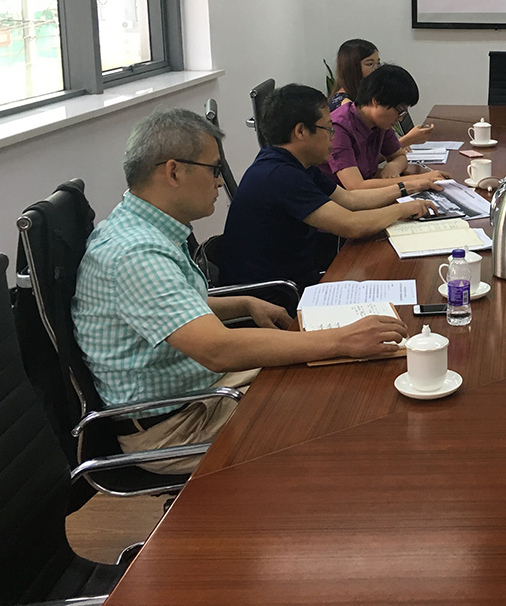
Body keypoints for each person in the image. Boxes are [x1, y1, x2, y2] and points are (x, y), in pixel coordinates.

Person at [72, 108, 409, 473]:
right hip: (176, 428)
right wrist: (342, 339)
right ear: (173, 172)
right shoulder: (136, 253)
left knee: (337, 375)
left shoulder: (143, 226)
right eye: (214, 169)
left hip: (199, 391)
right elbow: (217, 349)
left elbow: (175, 308)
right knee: (337, 410)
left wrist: (244, 303)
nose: (220, 182)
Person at [220, 84, 438, 288]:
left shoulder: (296, 163)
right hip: (274, 293)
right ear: (301, 131)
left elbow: (350, 199)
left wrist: (410, 188)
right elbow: (351, 224)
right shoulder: (280, 175)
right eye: (328, 129)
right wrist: (403, 209)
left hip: (298, 273)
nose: (333, 137)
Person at [326, 64, 447, 191]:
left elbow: (400, 156)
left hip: (367, 191)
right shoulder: (338, 128)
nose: (400, 118)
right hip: (336, 197)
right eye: (399, 111)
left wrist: (394, 166)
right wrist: (421, 178)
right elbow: (355, 186)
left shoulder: (379, 123)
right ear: (376, 101)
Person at [329, 38, 434, 147]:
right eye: (370, 64)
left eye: (378, 64)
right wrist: (408, 140)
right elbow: (365, 152)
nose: (376, 69)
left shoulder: (374, 105)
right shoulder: (345, 106)